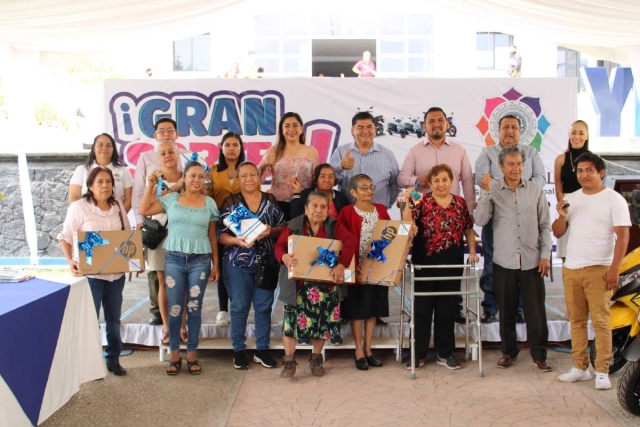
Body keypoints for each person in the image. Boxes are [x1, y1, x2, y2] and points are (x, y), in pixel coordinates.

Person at [553, 152, 630, 390]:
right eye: (580, 171)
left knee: (600, 322)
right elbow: (557, 232)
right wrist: (562, 215)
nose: (584, 174)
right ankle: (579, 367)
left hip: (600, 268)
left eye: (589, 170)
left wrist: (614, 269)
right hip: (573, 268)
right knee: (576, 321)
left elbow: (623, 235)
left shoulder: (613, 199)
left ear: (601, 173)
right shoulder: (571, 198)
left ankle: (602, 370)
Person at [475, 146, 552, 372]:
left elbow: (545, 226)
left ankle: (539, 355)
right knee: (506, 311)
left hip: (532, 261)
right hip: (504, 262)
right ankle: (509, 352)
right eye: (510, 164)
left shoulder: (535, 190)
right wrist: (487, 191)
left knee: (535, 312)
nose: (516, 168)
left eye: (519, 164)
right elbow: (480, 220)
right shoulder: (494, 189)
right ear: (501, 166)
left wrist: (546, 255)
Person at [139, 161, 220, 375]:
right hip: (173, 258)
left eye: (201, 177)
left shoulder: (209, 203)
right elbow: (144, 209)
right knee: (175, 307)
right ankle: (174, 353)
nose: (196, 180)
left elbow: (212, 235)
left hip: (200, 261)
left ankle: (192, 352)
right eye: (192, 175)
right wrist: (150, 185)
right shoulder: (171, 199)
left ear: (204, 179)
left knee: (194, 307)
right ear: (184, 177)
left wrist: (216, 264)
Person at [398, 106, 477, 324]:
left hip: (453, 217)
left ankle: (455, 308)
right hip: (425, 220)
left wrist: (468, 212)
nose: (436, 124)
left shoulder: (459, 150)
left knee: (452, 266)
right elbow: (401, 178)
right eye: (431, 121)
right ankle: (423, 316)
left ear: (447, 124)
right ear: (424, 126)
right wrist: (417, 181)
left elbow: (467, 181)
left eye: (440, 120)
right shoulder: (415, 151)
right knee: (427, 272)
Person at [401, 164, 478, 370]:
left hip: (452, 263)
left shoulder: (460, 203)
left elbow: (469, 229)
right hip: (424, 263)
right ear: (431, 183)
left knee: (447, 309)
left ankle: (445, 354)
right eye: (437, 180)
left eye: (445, 180)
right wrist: (408, 202)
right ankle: (417, 355)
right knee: (422, 310)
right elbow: (406, 224)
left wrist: (471, 252)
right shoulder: (420, 200)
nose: (441, 184)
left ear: (451, 181)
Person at [274, 191, 356, 378]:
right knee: (290, 324)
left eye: (323, 207)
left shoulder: (334, 225)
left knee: (322, 323)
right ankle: (288, 361)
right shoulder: (294, 225)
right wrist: (284, 256)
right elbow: (279, 246)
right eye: (315, 206)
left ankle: (316, 358)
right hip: (297, 285)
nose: (319, 210)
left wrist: (342, 264)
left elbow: (350, 242)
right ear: (306, 208)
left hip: (324, 284)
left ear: (328, 209)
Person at [59, 166, 131, 376]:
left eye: (108, 182)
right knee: (89, 319)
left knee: (114, 319)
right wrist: (70, 262)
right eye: (99, 182)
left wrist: (134, 261)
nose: (105, 186)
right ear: (90, 185)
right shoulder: (79, 207)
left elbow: (127, 235)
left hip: (116, 275)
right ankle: (88, 363)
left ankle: (113, 359)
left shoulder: (118, 205)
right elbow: (64, 237)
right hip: (91, 276)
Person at [331, 111, 400, 326]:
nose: (365, 131)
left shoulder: (387, 154)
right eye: (360, 127)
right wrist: (341, 167)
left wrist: (384, 206)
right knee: (351, 261)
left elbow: (394, 184)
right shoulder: (341, 152)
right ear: (352, 130)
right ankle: (347, 312)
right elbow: (327, 178)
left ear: (375, 129)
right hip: (350, 218)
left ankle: (375, 312)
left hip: (377, 219)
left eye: (369, 126)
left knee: (375, 262)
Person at [475, 114, 546, 324]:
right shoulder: (487, 153)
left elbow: (539, 180)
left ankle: (520, 308)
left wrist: (518, 191)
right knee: (491, 265)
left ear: (520, 131)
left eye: (514, 127)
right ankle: (490, 307)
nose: (510, 131)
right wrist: (507, 192)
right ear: (497, 131)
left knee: (524, 266)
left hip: (525, 220)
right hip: (494, 218)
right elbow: (484, 180)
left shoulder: (531, 153)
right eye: (505, 127)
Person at [219, 162, 285, 370]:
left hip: (266, 263)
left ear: (259, 177)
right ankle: (238, 350)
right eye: (244, 176)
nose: (249, 179)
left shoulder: (271, 200)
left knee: (264, 307)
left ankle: (262, 350)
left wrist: (271, 231)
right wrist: (236, 241)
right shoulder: (230, 203)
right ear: (238, 179)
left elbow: (283, 227)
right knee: (239, 308)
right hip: (236, 264)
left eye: (252, 175)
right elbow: (220, 235)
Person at [291, 163, 352, 345]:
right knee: (305, 295)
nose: (327, 179)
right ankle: (304, 331)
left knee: (333, 295)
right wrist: (285, 256)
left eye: (331, 176)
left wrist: (342, 262)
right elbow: (294, 220)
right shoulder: (305, 196)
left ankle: (332, 331)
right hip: (308, 253)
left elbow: (347, 231)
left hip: (332, 254)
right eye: (323, 176)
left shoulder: (341, 197)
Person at [337, 174, 393, 370]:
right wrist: (352, 267)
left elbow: (390, 234)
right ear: (353, 192)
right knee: (357, 310)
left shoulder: (381, 209)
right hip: (356, 268)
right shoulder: (346, 212)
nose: (369, 191)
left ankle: (369, 349)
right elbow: (342, 242)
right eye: (363, 188)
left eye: (371, 187)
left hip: (377, 267)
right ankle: (358, 350)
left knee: (373, 310)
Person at [132, 118, 183, 327]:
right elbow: (140, 196)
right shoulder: (147, 161)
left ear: (176, 135)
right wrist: (138, 220)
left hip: (182, 230)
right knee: (158, 277)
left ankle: (181, 323)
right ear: (155, 136)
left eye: (170, 130)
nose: (166, 134)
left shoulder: (186, 160)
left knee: (181, 281)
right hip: (157, 227)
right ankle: (159, 315)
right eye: (161, 131)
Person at [143, 140, 187, 345]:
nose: (168, 156)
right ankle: (168, 327)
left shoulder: (187, 176)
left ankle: (183, 326)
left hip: (183, 234)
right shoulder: (155, 179)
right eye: (163, 153)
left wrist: (182, 185)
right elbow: (150, 205)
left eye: (171, 152)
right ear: (158, 157)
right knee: (163, 283)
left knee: (183, 284)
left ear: (177, 154)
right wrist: (151, 186)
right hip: (161, 236)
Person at [209, 132, 246, 327]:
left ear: (241, 148)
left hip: (243, 226)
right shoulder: (212, 171)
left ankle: (241, 308)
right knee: (221, 268)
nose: (231, 148)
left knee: (241, 268)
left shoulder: (247, 170)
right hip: (219, 225)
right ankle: (223, 310)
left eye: (235, 145)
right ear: (221, 148)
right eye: (228, 145)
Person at [554, 120, 589, 320]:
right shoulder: (561, 159)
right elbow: (558, 185)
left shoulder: (594, 159)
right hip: (567, 209)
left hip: (587, 209)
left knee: (587, 261)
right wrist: (563, 208)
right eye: (573, 132)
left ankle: (585, 305)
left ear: (587, 136)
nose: (577, 136)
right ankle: (571, 308)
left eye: (581, 133)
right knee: (568, 261)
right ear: (569, 134)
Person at [258, 112, 319, 221]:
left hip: (304, 203)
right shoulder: (273, 150)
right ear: (282, 130)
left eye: (295, 125)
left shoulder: (311, 151)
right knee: (280, 236)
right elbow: (257, 180)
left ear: (301, 128)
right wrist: (264, 163)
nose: (291, 129)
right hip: (278, 205)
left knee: (301, 237)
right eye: (287, 126)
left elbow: (317, 180)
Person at [69, 133, 133, 213]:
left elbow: (129, 199)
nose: (104, 148)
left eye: (108, 145)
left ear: (113, 149)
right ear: (94, 148)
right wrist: (86, 217)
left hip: (115, 220)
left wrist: (119, 216)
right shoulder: (82, 170)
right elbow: (74, 198)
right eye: (100, 145)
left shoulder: (123, 171)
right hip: (87, 220)